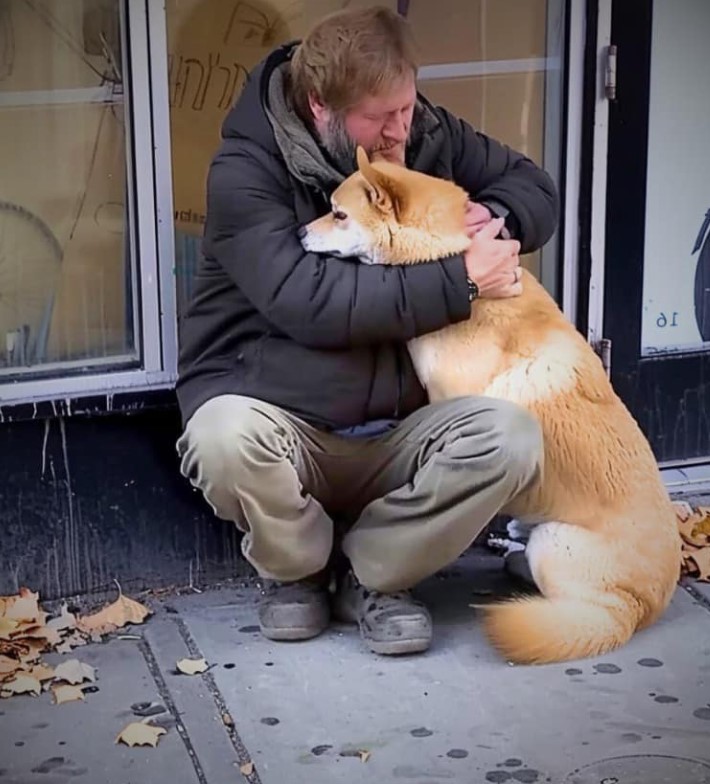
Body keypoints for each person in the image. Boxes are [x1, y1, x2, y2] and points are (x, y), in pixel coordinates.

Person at [175, 6, 559, 656]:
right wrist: (461, 280)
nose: (401, 131)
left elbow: (535, 187)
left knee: (513, 439)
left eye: (407, 107)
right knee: (221, 438)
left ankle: (374, 574)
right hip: (287, 426)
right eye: (382, 119)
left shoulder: (420, 133)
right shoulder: (245, 174)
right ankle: (298, 572)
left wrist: (487, 218)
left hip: (399, 432)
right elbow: (311, 303)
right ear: (322, 108)